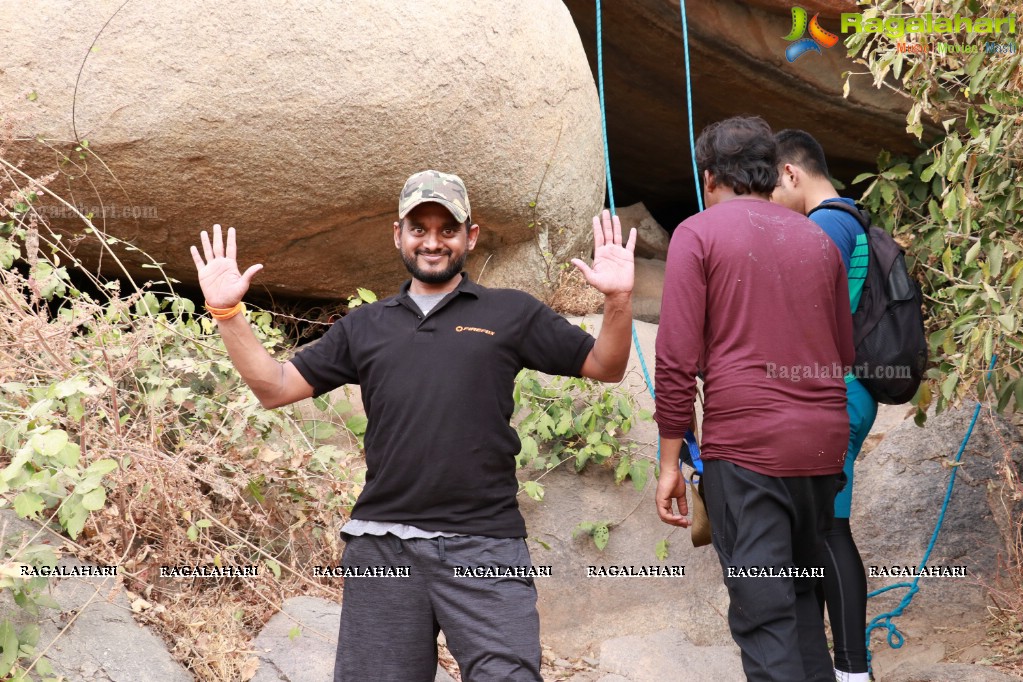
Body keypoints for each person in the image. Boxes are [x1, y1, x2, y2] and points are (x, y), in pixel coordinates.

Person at [189, 169, 636, 682]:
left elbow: (607, 366)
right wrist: (227, 312)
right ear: (397, 235)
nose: (432, 242)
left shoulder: (509, 312)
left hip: (485, 544)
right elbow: (275, 387)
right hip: (383, 545)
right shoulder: (365, 325)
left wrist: (618, 301)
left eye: (447, 229)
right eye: (418, 228)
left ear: (470, 236)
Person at [653, 116, 854, 682]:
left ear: (710, 177)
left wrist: (671, 462)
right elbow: (841, 352)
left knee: (764, 618)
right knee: (801, 612)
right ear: (771, 174)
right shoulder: (818, 238)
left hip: (748, 454)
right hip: (820, 449)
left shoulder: (698, 233)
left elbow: (674, 363)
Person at [773, 129, 878, 682]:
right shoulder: (850, 216)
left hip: (839, 390)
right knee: (817, 529)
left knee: (831, 531)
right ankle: (822, 664)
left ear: (791, 174)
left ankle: (853, 671)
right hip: (847, 389)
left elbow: (802, 310)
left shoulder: (827, 224)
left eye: (771, 187)